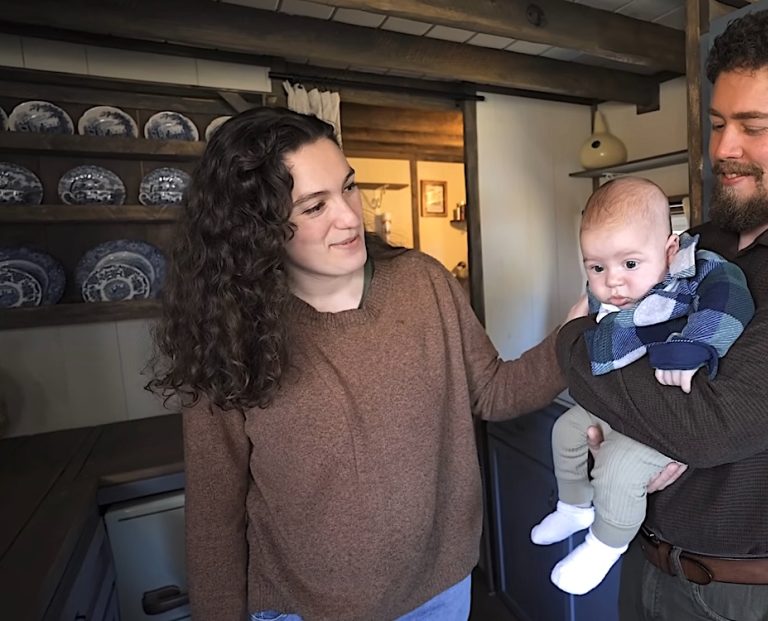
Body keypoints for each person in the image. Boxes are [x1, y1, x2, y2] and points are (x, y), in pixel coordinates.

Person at [149, 106, 585, 620]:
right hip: (302, 611)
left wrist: (580, 331)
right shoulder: (228, 332)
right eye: (315, 207)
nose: (350, 216)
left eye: (349, 187)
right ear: (256, 227)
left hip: (438, 591)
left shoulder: (422, 283)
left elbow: (492, 389)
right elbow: (214, 515)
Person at [556, 6, 768, 620]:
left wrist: (569, 343)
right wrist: (618, 422)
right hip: (647, 564)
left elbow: (708, 426)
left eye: (753, 125)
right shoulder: (699, 244)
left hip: (757, 597)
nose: (724, 148)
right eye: (718, 122)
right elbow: (637, 360)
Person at [530, 177, 754, 596]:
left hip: (671, 412)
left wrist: (692, 347)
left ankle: (605, 543)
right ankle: (574, 506)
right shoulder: (611, 297)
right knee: (565, 431)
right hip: (620, 403)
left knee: (618, 466)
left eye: (629, 264)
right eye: (596, 268)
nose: (613, 281)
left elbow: (732, 302)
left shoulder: (696, 274)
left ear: (669, 250)